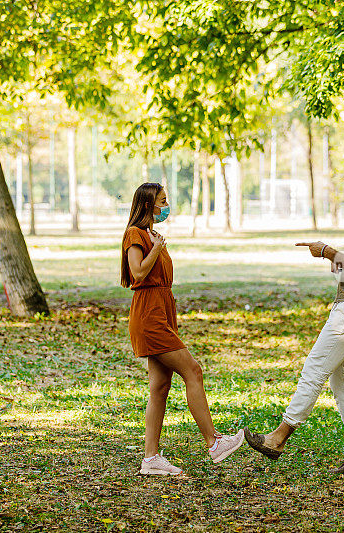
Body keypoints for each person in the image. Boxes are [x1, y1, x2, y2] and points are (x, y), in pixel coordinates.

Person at [245, 158, 344, 475]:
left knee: (314, 368)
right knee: (342, 382)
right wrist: (339, 262)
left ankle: (278, 438)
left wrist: (328, 251)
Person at [122, 182, 244, 476]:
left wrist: (158, 243)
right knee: (193, 370)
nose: (167, 205)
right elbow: (138, 273)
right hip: (149, 315)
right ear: (148, 204)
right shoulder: (135, 234)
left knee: (160, 387)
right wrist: (157, 248)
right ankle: (214, 442)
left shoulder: (152, 234)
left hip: (162, 310)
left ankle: (151, 459)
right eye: (162, 201)